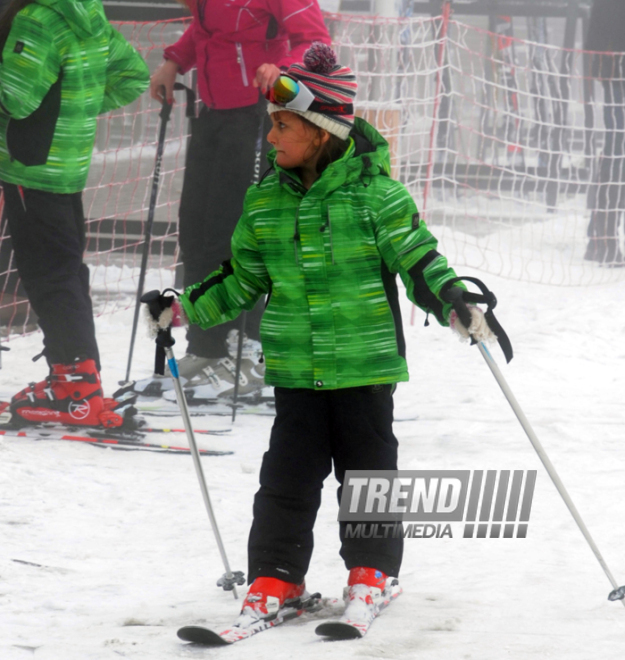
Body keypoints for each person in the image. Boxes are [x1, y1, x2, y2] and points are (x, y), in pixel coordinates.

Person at [170, 44, 498, 628]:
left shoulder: (378, 197)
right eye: (271, 125)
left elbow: (421, 261)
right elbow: (242, 278)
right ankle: (276, 575)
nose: (270, 138)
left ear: (321, 131)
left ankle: (371, 573)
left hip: (365, 369)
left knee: (368, 479)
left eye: (283, 126)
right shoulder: (266, 202)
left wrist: (453, 301)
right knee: (286, 477)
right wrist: (184, 308)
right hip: (296, 369)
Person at [133, 0, 331, 401]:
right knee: (196, 230)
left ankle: (251, 349)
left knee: (239, 235)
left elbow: (317, 44)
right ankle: (207, 348)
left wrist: (285, 70)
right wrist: (174, 62)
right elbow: (210, 31)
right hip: (213, 116)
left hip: (262, 116)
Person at [0, 0, 150, 427]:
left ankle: (75, 389)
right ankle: (76, 378)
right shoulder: (88, 14)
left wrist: (60, 111)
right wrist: (73, 111)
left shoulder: (38, 19)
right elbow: (132, 75)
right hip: (66, 165)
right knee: (64, 270)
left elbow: (16, 98)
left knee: (49, 274)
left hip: (32, 166)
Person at [584, 0, 625, 266]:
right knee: (616, 150)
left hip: (612, 63)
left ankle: (599, 234)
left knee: (616, 149)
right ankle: (605, 238)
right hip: (615, 66)